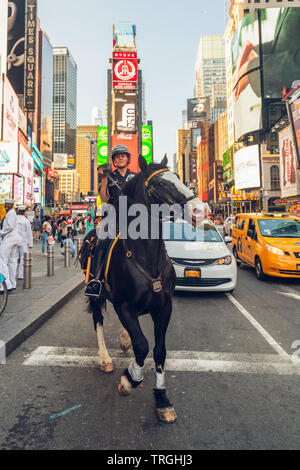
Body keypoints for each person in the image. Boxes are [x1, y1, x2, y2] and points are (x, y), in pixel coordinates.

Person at [0, 199, 21, 292]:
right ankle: (12, 284)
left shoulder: (11, 213)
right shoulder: (11, 213)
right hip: (13, 239)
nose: (5, 206)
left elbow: (10, 226)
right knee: (12, 261)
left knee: (2, 260)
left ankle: (6, 285)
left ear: (11, 205)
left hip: (9, 239)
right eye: (5, 204)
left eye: (7, 204)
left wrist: (1, 232)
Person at [16, 205, 33, 280]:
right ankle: (20, 275)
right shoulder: (26, 221)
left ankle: (12, 275)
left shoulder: (14, 219)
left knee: (13, 258)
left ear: (18, 211)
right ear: (24, 212)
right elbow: (29, 233)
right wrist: (30, 244)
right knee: (23, 258)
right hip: (23, 241)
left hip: (14, 240)